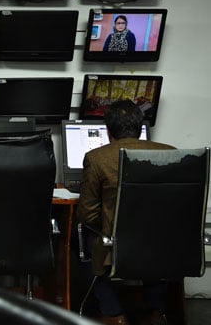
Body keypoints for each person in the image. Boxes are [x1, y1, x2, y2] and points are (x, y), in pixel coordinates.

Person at [77, 99, 174, 325]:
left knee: (80, 236)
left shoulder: (97, 158)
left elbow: (87, 214)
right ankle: (156, 313)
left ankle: (113, 314)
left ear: (108, 130)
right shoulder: (171, 153)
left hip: (117, 243)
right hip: (163, 243)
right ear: (141, 128)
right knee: (154, 241)